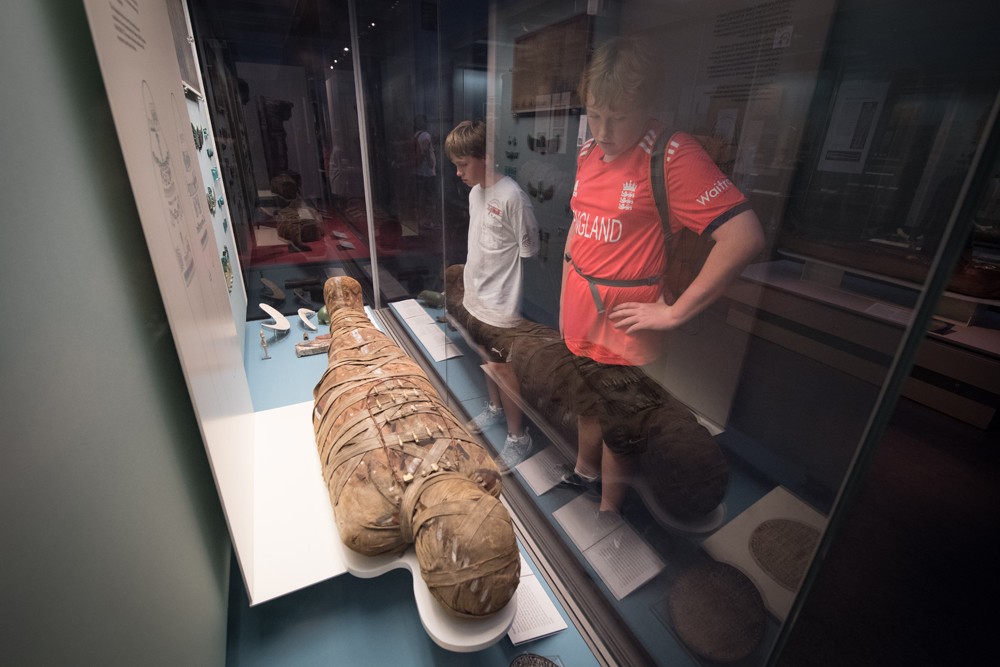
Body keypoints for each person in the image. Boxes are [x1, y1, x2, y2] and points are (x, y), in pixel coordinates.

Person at [559, 37, 766, 514]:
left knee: (622, 431)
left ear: (649, 106)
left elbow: (743, 236)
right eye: (595, 113)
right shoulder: (589, 153)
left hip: (624, 334)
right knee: (587, 405)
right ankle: (583, 474)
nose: (605, 129)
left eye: (619, 116)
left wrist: (674, 312)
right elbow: (579, 220)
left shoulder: (671, 155)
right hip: (579, 322)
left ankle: (609, 515)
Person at [445, 120, 541, 473]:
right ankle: (494, 408)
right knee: (483, 353)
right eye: (455, 166)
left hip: (501, 301)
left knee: (503, 367)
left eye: (462, 165)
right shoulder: (475, 194)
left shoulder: (513, 196)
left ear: (484, 156)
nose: (458, 173)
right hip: (476, 292)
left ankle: (519, 437)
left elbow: (529, 247)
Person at [413, 115, 438, 229]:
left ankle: (421, 220)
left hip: (419, 171)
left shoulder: (416, 135)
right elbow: (426, 151)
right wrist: (431, 164)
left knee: (421, 197)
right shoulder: (425, 135)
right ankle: (430, 221)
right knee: (431, 197)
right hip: (427, 172)